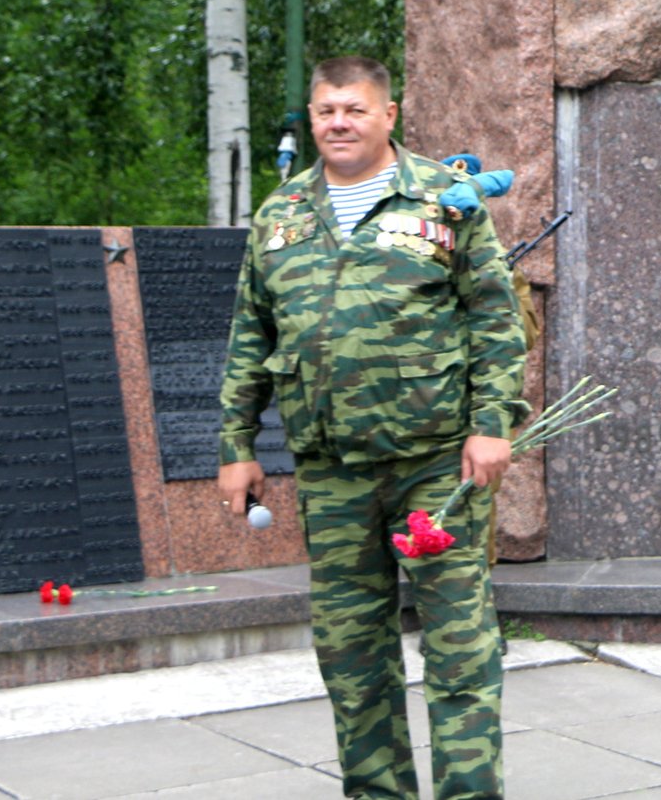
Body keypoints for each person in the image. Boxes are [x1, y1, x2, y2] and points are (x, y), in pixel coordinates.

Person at [216, 57, 528, 800]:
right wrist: (236, 446)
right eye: (326, 111)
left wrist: (491, 425)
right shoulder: (280, 214)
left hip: (434, 466)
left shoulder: (445, 202)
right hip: (331, 471)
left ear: (390, 115)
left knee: (458, 653)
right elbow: (250, 335)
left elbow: (494, 319)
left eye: (354, 109)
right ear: (312, 118)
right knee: (352, 659)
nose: (339, 124)